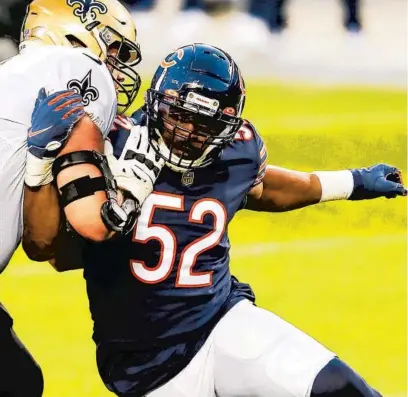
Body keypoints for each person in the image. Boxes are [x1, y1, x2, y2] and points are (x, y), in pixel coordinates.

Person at [25, 43, 406, 397]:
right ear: (157, 103)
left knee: (339, 387)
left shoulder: (236, 152)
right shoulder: (108, 146)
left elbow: (263, 188)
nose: (187, 132)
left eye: (203, 125)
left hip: (221, 320)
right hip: (143, 363)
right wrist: (40, 166)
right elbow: (50, 250)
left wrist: (352, 182)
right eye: (179, 115)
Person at [0, 0, 160, 395]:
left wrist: (38, 167)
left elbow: (45, 246)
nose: (120, 66)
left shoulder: (11, 74)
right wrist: (127, 194)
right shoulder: (81, 71)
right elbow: (77, 230)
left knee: (16, 379)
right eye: (116, 48)